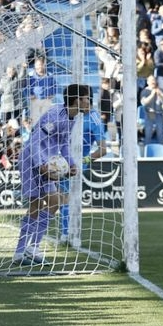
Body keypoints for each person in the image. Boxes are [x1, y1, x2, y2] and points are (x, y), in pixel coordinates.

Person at [13, 84, 91, 265]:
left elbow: (63, 144)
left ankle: (29, 249)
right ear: (77, 100)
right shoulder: (54, 115)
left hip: (48, 163)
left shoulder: (72, 119)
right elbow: (35, 140)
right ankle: (22, 251)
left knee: (53, 202)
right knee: (37, 205)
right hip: (32, 161)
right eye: (87, 98)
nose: (89, 102)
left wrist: (71, 164)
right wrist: (40, 165)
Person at [59, 96, 107, 243]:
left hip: (77, 163)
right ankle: (67, 232)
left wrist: (84, 160)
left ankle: (69, 233)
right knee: (62, 197)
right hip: (60, 160)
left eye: (83, 99)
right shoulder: (67, 113)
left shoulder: (93, 119)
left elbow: (103, 150)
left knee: (67, 197)